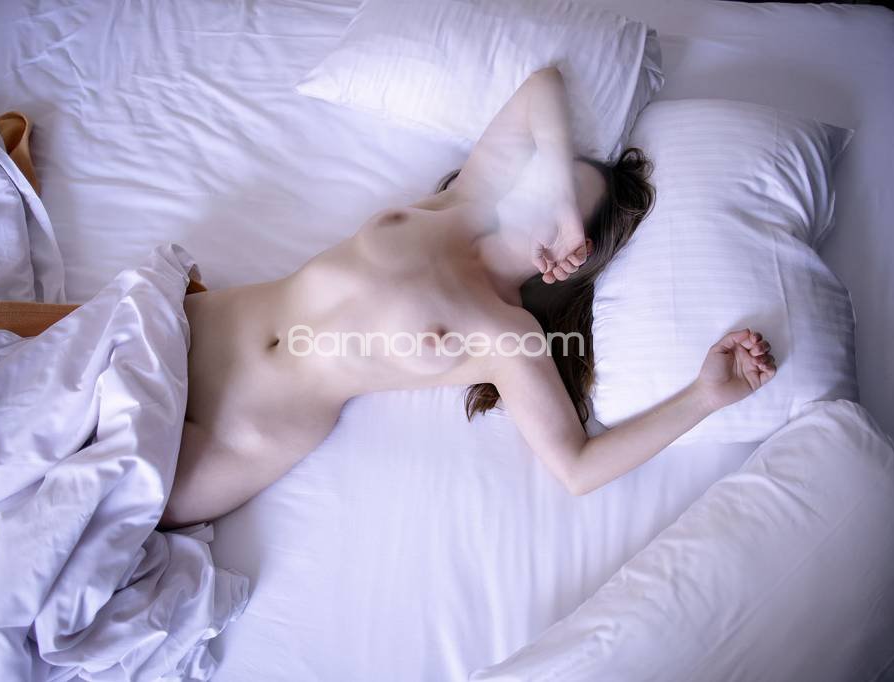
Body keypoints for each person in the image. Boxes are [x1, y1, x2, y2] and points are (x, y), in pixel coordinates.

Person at [163, 66, 776, 528]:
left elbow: (577, 469)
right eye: (549, 179)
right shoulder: (463, 202)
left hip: (240, 437)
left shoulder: (507, 333)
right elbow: (541, 86)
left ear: (577, 252)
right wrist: (562, 183)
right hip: (189, 330)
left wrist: (704, 396)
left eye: (567, 205)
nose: (547, 193)